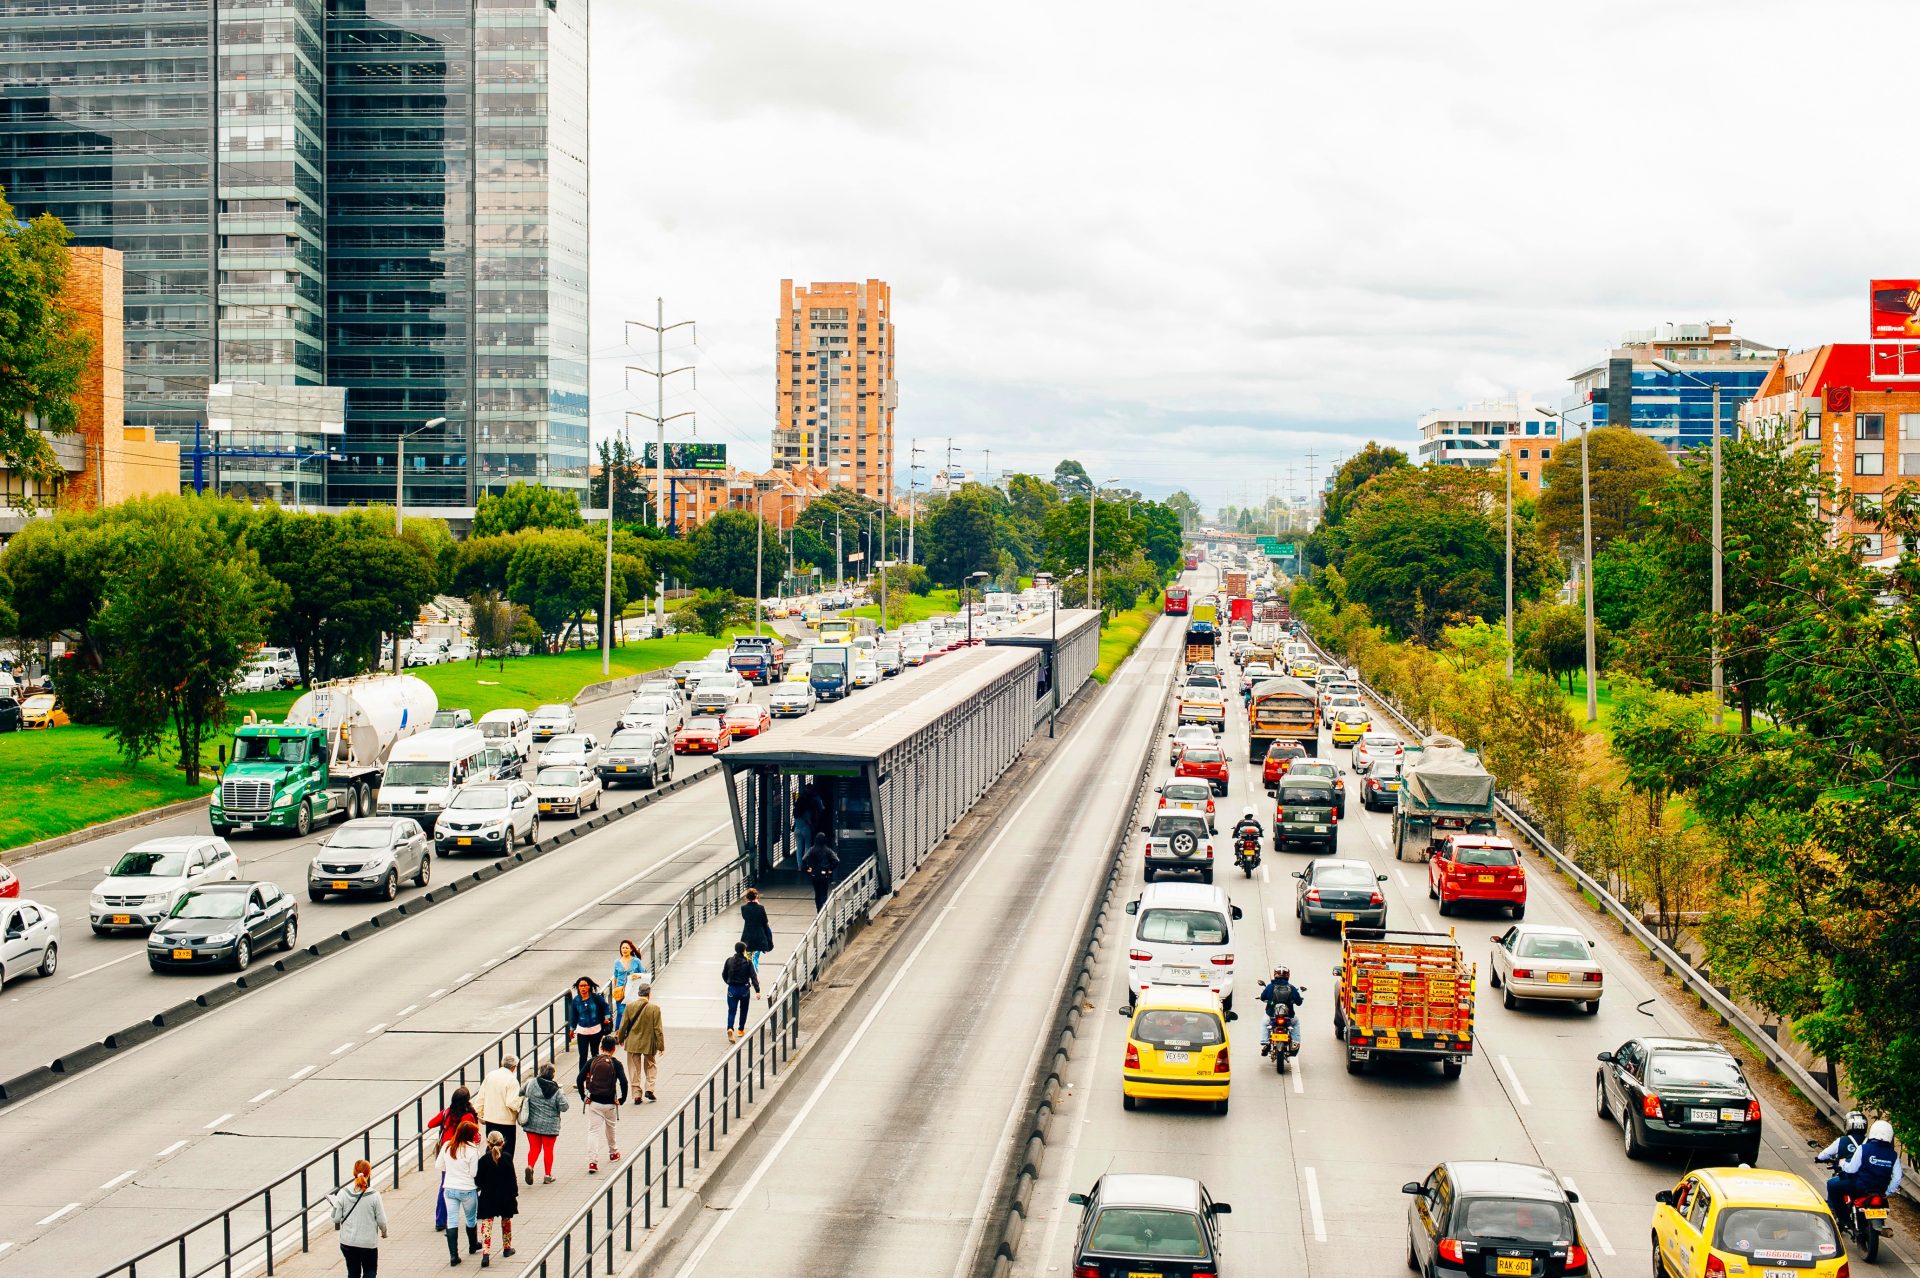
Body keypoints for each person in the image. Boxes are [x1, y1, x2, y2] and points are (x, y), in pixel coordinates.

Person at [426, 1087, 477, 1231]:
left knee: (445, 1185)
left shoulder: (447, 1112)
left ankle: (440, 1220)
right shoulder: (468, 1117)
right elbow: (474, 1134)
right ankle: (473, 1216)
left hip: (447, 1153)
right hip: (463, 1154)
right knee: (470, 1183)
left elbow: (430, 1124)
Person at [329, 1158, 389, 1278]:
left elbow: (335, 1219)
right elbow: (381, 1220)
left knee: (353, 1272)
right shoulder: (374, 1195)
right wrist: (384, 1232)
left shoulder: (343, 1193)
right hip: (368, 1244)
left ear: (354, 1173)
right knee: (370, 1271)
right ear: (369, 1174)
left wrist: (335, 1205)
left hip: (348, 1242)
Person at [1831, 1118, 1904, 1215]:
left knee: (1832, 1185)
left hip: (1860, 1188)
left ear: (1872, 1131)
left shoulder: (1863, 1148)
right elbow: (1897, 1178)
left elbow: (1851, 1169)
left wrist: (1842, 1163)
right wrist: (1887, 1192)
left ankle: (1842, 1218)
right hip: (1880, 1191)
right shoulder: (1893, 1155)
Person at [437, 1117, 483, 1266]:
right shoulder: (472, 1151)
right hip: (467, 1189)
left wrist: (451, 1170)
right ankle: (472, 1245)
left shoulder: (447, 1146)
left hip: (449, 1188)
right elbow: (474, 1173)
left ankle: (453, 1256)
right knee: (470, 1219)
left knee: (452, 1220)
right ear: (470, 1135)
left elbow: (439, 1165)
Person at [580, 1036, 628, 1174]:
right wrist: (622, 1099)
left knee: (593, 1131)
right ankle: (613, 1153)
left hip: (594, 1102)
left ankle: (592, 1162)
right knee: (610, 1127)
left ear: (601, 1047)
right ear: (614, 1049)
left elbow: (579, 1079)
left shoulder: (592, 1061)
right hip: (610, 1103)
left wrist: (584, 1097)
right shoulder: (616, 1063)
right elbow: (624, 1082)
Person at [517, 1061, 568, 1186]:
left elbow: (521, 1092)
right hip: (550, 1126)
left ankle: (530, 1166)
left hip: (532, 1123)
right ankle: (547, 1175)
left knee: (534, 1148)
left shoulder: (531, 1082)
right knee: (548, 1150)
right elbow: (564, 1107)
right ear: (553, 1075)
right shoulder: (556, 1090)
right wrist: (562, 1092)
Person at [474, 1130, 519, 1266]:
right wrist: (514, 1194)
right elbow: (512, 1179)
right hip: (505, 1196)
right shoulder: (507, 1158)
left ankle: (486, 1254)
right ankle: (507, 1248)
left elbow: (478, 1180)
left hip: (488, 1197)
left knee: (487, 1224)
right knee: (506, 1221)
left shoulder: (483, 1160)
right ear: (502, 1142)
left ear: (488, 1143)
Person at [618, 981, 665, 1103]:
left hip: (633, 1042)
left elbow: (623, 1025)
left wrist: (621, 1038)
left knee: (634, 1069)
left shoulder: (629, 1006)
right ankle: (649, 1089)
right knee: (651, 1065)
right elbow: (658, 1029)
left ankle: (636, 1095)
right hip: (649, 1042)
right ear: (649, 994)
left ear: (638, 993)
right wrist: (661, 1045)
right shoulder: (655, 1008)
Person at [473, 1055, 522, 1163]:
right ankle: (505, 1173)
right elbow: (512, 1103)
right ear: (514, 1067)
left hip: (490, 1119)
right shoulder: (512, 1080)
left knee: (491, 1146)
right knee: (507, 1151)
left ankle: (489, 1170)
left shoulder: (490, 1075)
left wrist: (479, 1114)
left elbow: (481, 1097)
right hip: (506, 1121)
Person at [564, 976, 611, 1090]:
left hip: (596, 1029)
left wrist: (606, 1018)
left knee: (595, 1054)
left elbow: (605, 1007)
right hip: (582, 1031)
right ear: (578, 987)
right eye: (581, 986)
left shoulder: (596, 998)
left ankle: (595, 1077)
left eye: (585, 985)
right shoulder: (576, 1000)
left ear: (589, 986)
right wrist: (572, 1029)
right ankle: (582, 1079)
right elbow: (574, 1016)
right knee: (583, 1056)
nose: (583, 988)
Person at [1259, 966, 1304, 1058]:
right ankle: (1295, 1042)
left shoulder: (1270, 986)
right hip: (1289, 1018)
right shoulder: (1292, 988)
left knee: (1264, 1022)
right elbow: (1299, 1002)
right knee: (1296, 1022)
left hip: (1271, 1016)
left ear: (1275, 974)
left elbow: (1263, 997)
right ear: (1288, 975)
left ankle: (1265, 1042)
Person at [722, 941, 760, 1041]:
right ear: (744, 951)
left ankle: (730, 1028)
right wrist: (757, 990)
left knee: (731, 1011)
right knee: (743, 1010)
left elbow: (724, 974)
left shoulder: (729, 961)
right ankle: (740, 1030)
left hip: (732, 989)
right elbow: (753, 976)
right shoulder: (748, 962)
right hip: (744, 989)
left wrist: (729, 983)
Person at [609, 940, 646, 1034]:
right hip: (620, 990)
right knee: (621, 1012)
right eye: (623, 948)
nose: (624, 950)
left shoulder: (636, 961)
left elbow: (643, 973)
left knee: (632, 1011)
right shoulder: (617, 962)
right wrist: (614, 989)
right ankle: (618, 1032)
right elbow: (615, 976)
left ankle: (631, 1031)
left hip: (632, 990)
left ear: (630, 949)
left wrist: (637, 975)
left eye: (626, 948)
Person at [800, 832, 839, 911]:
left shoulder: (812, 849)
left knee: (817, 894)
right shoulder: (828, 850)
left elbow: (804, 859)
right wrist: (830, 869)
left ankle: (818, 910)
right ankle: (824, 911)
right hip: (825, 874)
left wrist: (808, 868)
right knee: (824, 893)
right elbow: (837, 861)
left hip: (815, 874)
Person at [740, 888, 775, 969]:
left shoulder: (743, 908)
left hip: (748, 936)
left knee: (748, 956)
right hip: (759, 935)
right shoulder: (760, 907)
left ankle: (749, 971)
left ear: (747, 897)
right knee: (756, 956)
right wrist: (758, 904)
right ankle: (754, 973)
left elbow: (745, 918)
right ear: (756, 897)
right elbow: (765, 920)